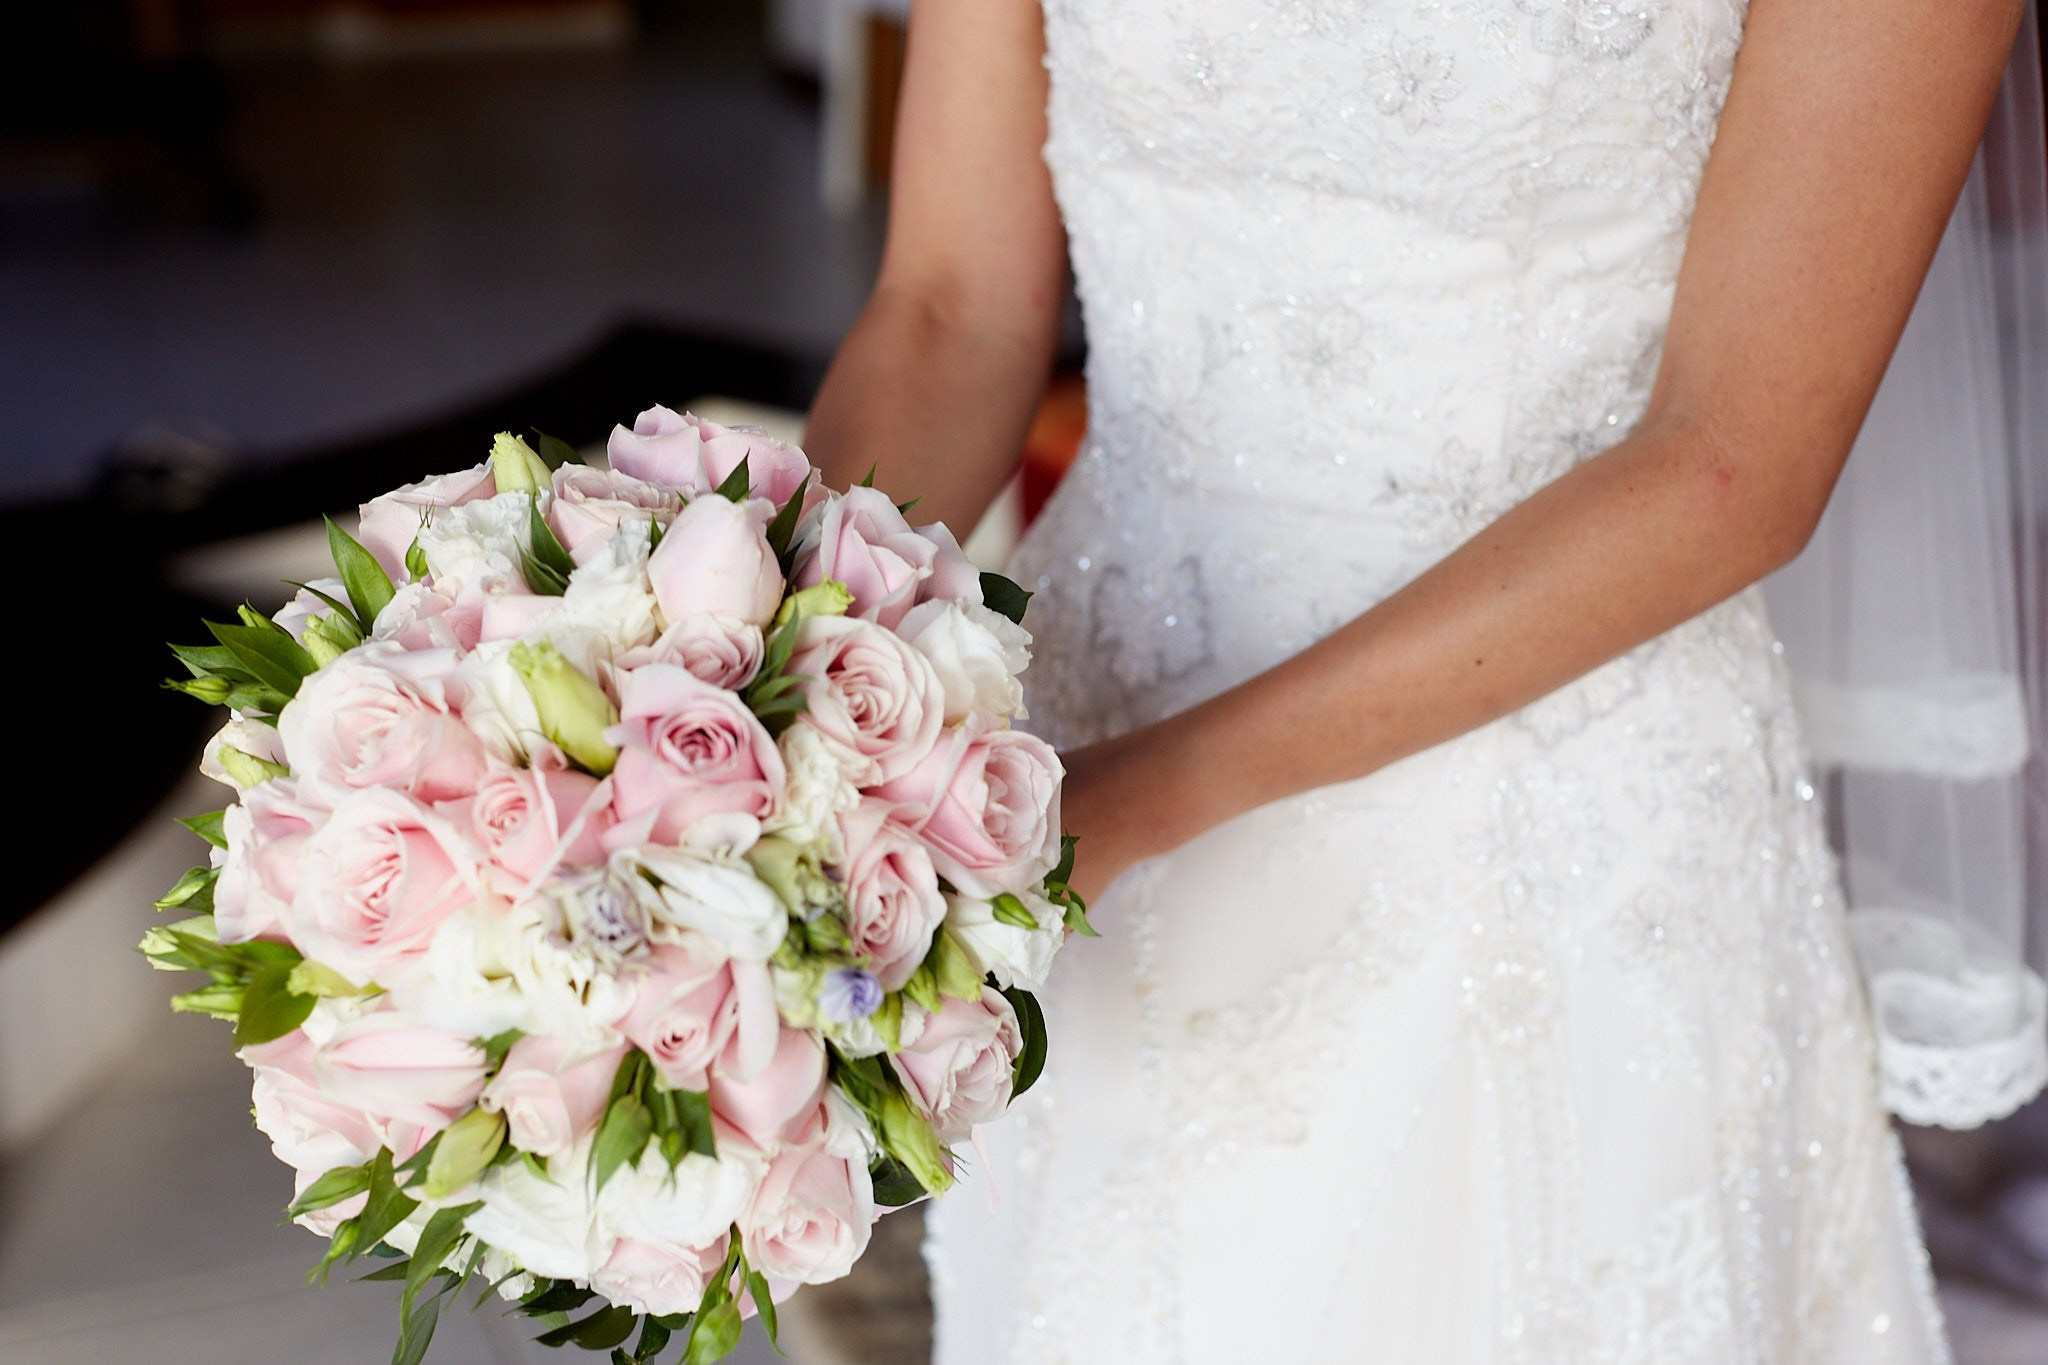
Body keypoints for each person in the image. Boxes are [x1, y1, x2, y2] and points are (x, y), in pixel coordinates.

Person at [801, 0, 2032, 1359]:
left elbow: (1734, 464)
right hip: (1079, 786)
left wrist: (1120, 808)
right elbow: (951, 304)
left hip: (1546, 823)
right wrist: (770, 675)